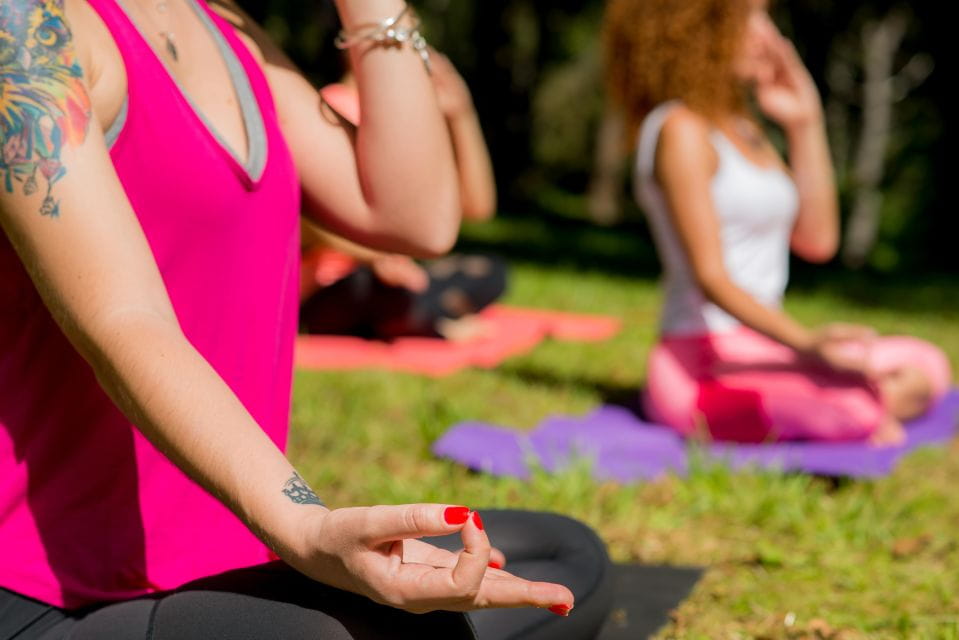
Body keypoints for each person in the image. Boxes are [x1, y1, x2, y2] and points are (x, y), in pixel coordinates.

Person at [0, 1, 613, 637]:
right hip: (50, 595)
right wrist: (307, 527)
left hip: (235, 562)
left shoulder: (224, 27)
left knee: (561, 556)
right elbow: (126, 317)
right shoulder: (26, 27)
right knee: (395, 629)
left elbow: (416, 218)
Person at [603, 0, 952, 445]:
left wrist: (805, 122)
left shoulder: (744, 128)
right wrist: (807, 344)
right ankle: (855, 406)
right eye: (748, 18)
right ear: (697, 31)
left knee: (929, 363)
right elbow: (711, 277)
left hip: (766, 345)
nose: (769, 36)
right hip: (701, 360)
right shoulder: (680, 129)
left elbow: (818, 241)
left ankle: (855, 402)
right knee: (851, 408)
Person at [299, 53, 507, 342]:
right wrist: (374, 257)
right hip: (331, 284)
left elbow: (477, 208)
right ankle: (431, 320)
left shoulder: (404, 124)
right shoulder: (330, 108)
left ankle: (419, 314)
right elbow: (305, 216)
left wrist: (461, 113)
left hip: (396, 276)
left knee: (490, 270)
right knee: (379, 290)